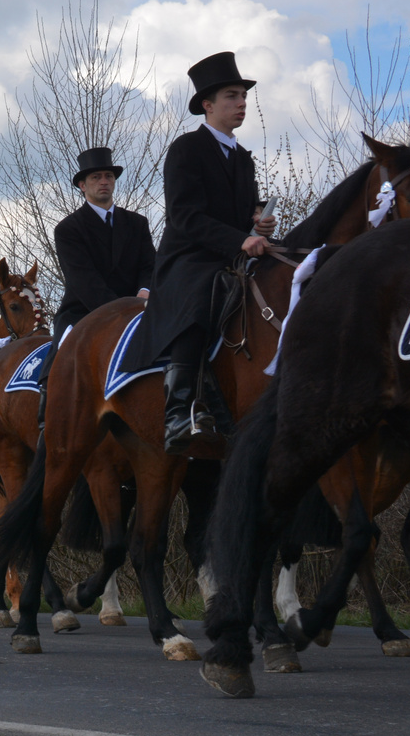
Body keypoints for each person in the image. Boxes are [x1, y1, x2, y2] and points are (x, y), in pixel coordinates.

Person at [122, 52, 274, 454]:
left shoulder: (243, 158)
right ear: (207, 105)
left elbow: (245, 211)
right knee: (200, 298)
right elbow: (185, 216)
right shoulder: (186, 149)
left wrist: (257, 222)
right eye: (231, 95)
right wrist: (238, 239)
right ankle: (178, 411)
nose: (241, 102)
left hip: (232, 255)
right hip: (189, 259)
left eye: (243, 95)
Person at [51, 147, 156, 340]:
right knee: (61, 364)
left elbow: (149, 266)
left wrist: (144, 291)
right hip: (84, 312)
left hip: (141, 307)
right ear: (82, 185)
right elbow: (84, 281)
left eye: (109, 176)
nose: (104, 182)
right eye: (96, 177)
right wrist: (122, 310)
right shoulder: (68, 229)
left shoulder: (137, 223)